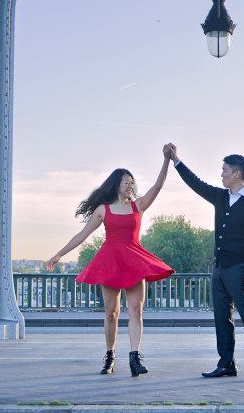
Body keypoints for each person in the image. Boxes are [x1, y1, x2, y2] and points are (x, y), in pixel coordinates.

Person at [46, 151, 175, 376]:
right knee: (111, 313)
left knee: (136, 310)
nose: (131, 186)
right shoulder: (103, 210)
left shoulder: (139, 206)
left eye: (133, 183)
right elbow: (82, 235)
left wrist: (167, 160)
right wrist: (59, 255)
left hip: (134, 261)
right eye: (127, 182)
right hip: (111, 261)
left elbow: (158, 186)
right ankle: (110, 355)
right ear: (117, 185)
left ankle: (134, 358)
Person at [165, 143, 244, 381]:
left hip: (239, 268)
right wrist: (176, 161)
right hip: (218, 268)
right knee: (221, 318)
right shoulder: (220, 196)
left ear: (237, 173)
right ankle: (226, 364)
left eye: (225, 170)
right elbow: (195, 183)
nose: (221, 174)